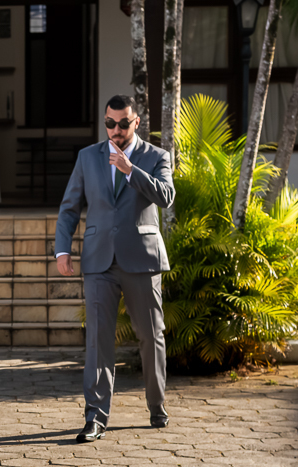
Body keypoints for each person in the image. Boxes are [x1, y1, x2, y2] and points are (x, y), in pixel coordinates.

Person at [55, 94, 175, 443]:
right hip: (98, 260)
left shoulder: (156, 156)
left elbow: (166, 196)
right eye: (110, 123)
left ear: (136, 122)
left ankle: (157, 405)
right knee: (97, 340)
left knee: (150, 336)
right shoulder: (87, 157)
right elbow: (69, 207)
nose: (116, 130)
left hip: (142, 259)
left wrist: (130, 171)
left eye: (123, 123)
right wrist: (63, 249)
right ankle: (95, 417)